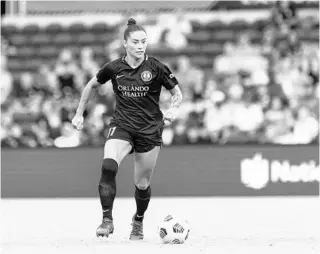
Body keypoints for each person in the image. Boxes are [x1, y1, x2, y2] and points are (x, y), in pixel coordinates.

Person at [71, 18, 183, 240]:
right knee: (108, 166)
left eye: (144, 41)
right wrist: (78, 112)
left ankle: (138, 221)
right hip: (122, 125)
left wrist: (173, 109)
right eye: (136, 42)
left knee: (142, 185)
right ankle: (107, 220)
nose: (141, 46)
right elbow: (91, 85)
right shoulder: (114, 68)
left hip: (150, 130)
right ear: (125, 43)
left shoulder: (157, 68)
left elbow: (177, 93)